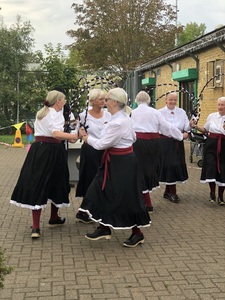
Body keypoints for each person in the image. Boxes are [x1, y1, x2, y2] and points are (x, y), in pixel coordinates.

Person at [78, 87, 151, 248]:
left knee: (125, 196)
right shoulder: (121, 118)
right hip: (119, 160)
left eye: (108, 99)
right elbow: (133, 137)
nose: (105, 102)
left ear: (115, 102)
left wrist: (85, 137)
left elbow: (101, 144)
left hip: (121, 162)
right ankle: (104, 227)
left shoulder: (118, 122)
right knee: (102, 190)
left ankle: (137, 233)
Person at [10, 90, 79, 238]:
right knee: (56, 181)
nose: (65, 102)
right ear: (58, 101)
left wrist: (69, 137)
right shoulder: (56, 114)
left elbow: (54, 133)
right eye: (64, 100)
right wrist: (75, 136)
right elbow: (56, 134)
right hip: (52, 151)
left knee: (39, 182)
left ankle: (39, 225)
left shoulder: (42, 112)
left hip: (38, 149)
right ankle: (50, 219)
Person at [131, 91, 185, 211]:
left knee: (139, 169)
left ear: (136, 100)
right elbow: (167, 127)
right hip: (154, 144)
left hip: (138, 143)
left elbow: (127, 129)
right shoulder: (155, 112)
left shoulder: (132, 113)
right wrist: (179, 136)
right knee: (150, 169)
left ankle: (145, 200)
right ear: (149, 100)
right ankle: (146, 198)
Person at [75, 88, 111, 223]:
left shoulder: (108, 115)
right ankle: (85, 210)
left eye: (104, 99)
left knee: (103, 180)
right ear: (92, 101)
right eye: (100, 99)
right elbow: (78, 132)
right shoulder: (83, 115)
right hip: (90, 151)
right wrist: (81, 132)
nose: (103, 101)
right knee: (90, 179)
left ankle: (89, 210)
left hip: (104, 150)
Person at [190, 96, 225, 205]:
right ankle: (212, 193)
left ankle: (221, 196)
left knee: (222, 169)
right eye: (219, 104)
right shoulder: (211, 116)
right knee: (211, 167)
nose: (220, 107)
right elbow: (205, 130)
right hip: (211, 144)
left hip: (223, 145)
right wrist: (196, 126)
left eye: (222, 105)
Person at [158, 92, 190, 203]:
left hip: (177, 143)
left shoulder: (181, 112)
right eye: (170, 100)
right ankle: (173, 192)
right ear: (166, 100)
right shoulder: (159, 113)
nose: (172, 102)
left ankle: (167, 191)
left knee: (176, 165)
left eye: (175, 100)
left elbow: (186, 126)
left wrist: (190, 126)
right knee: (170, 165)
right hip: (165, 143)